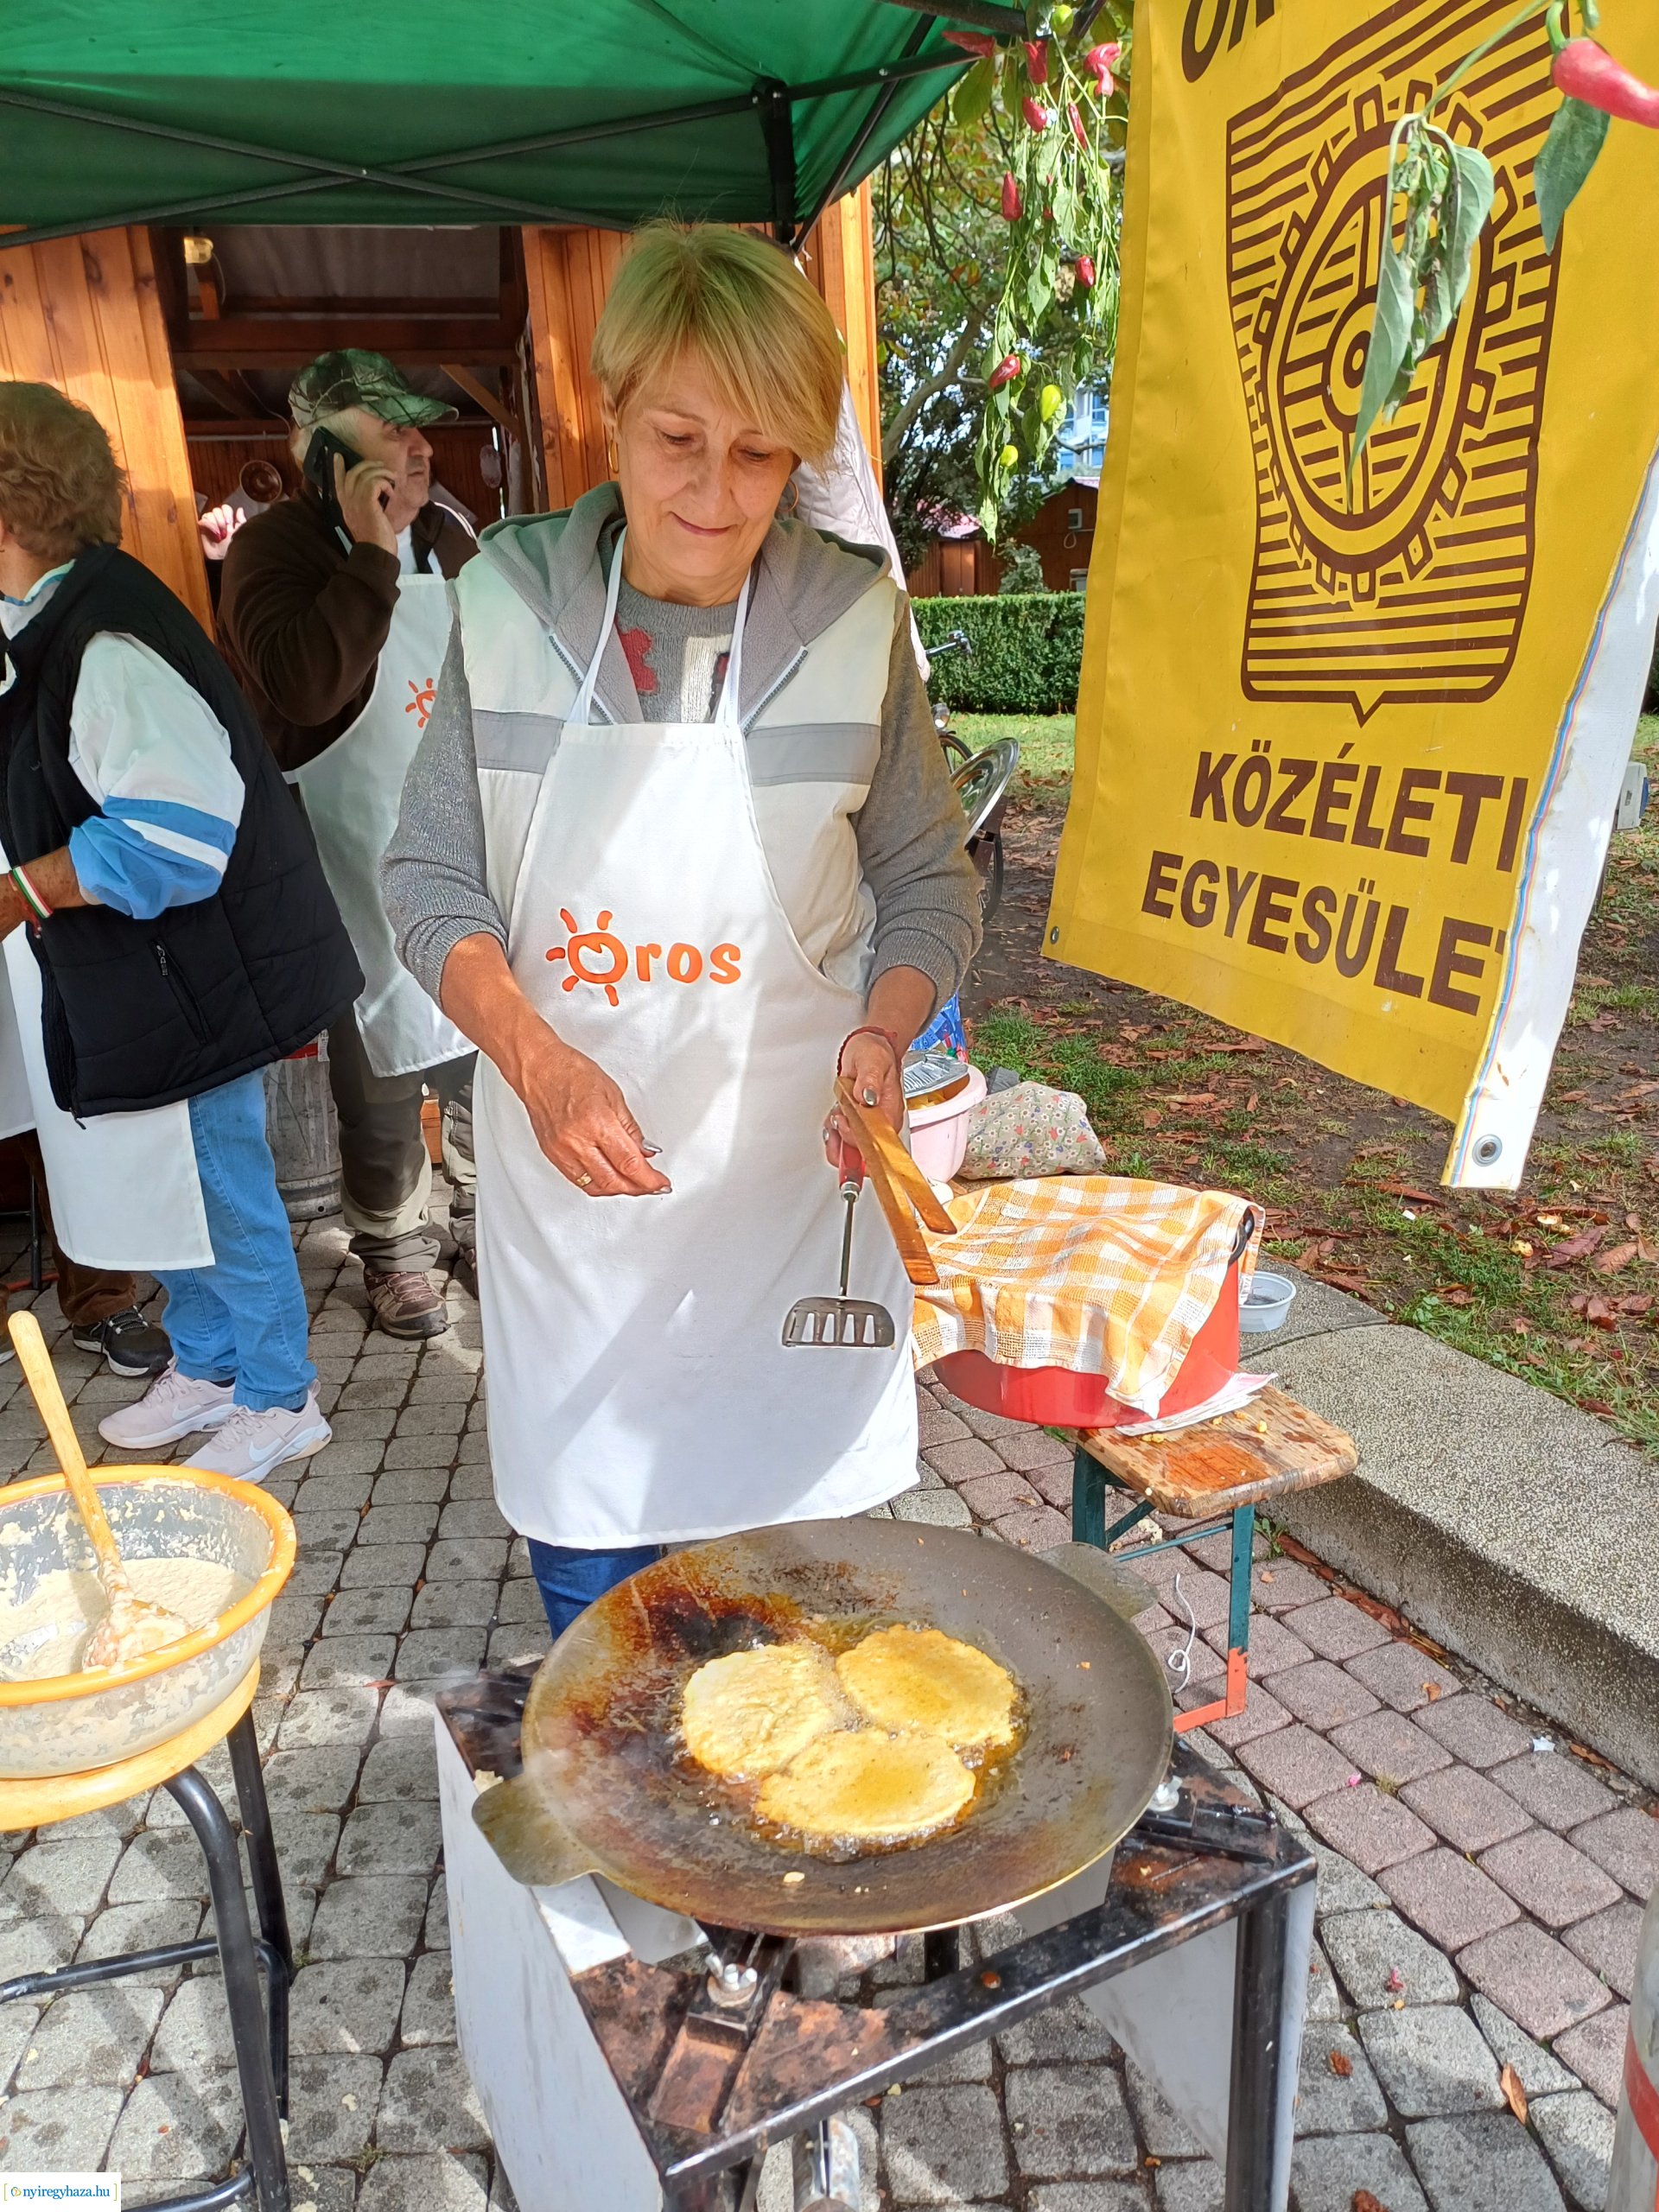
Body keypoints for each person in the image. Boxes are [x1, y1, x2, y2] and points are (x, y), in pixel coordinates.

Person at [384, 222, 982, 1637]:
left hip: (794, 1210)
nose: (717, 495)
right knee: (613, 1632)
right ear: (611, 408)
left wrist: (889, 1030)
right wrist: (534, 1060)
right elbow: (427, 879)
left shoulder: (852, 622)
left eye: (761, 454)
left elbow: (928, 878)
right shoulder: (510, 606)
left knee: (806, 1635)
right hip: (582, 1225)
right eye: (678, 441)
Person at [0, 381, 361, 1480]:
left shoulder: (104, 641)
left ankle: (279, 1393)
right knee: (174, 1181)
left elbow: (177, 838)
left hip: (201, 971)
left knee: (219, 1184)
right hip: (150, 977)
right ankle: (206, 1365)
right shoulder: (46, 619)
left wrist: (24, 890)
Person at [219, 352, 480, 1339]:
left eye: (421, 429)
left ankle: (490, 1219)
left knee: (484, 1058)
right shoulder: (273, 551)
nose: (419, 447)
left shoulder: (454, 537)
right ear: (326, 452)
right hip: (347, 851)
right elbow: (304, 690)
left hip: (460, 838)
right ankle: (396, 1240)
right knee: (379, 1070)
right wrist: (370, 551)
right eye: (393, 430)